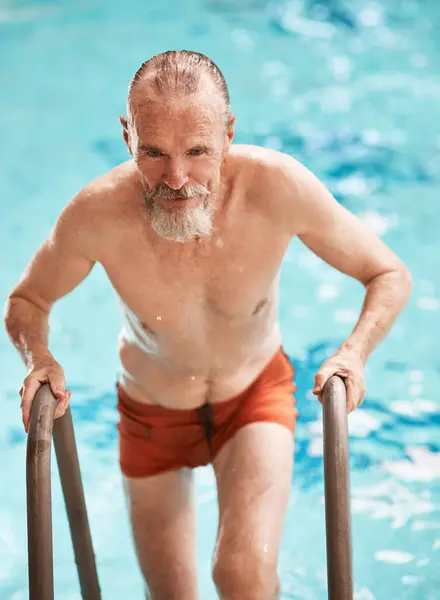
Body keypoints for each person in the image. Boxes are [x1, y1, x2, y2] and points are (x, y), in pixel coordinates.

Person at [4, 50, 412, 600]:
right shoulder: (96, 215)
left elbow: (387, 272)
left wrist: (353, 355)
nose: (175, 178)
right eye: (153, 152)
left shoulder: (277, 188)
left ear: (228, 133)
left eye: (196, 151)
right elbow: (27, 300)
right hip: (150, 409)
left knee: (241, 575)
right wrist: (40, 359)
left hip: (252, 397)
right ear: (127, 136)